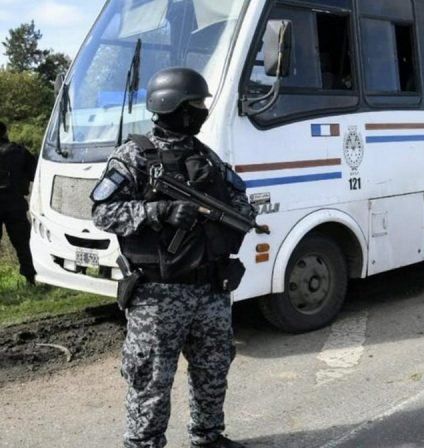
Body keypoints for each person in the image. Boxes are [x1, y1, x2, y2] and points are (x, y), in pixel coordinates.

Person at [91, 68, 254, 448]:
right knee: (150, 376)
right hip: (158, 294)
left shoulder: (206, 157)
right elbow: (102, 212)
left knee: (214, 367)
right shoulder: (134, 155)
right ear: (174, 106)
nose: (202, 111)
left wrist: (232, 217)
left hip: (211, 288)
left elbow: (239, 204)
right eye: (196, 104)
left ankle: (208, 436)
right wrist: (158, 211)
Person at [0, 121, 38, 285]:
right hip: (15, 204)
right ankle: (30, 278)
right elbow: (35, 174)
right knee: (24, 243)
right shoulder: (19, 152)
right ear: (5, 133)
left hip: (12, 203)